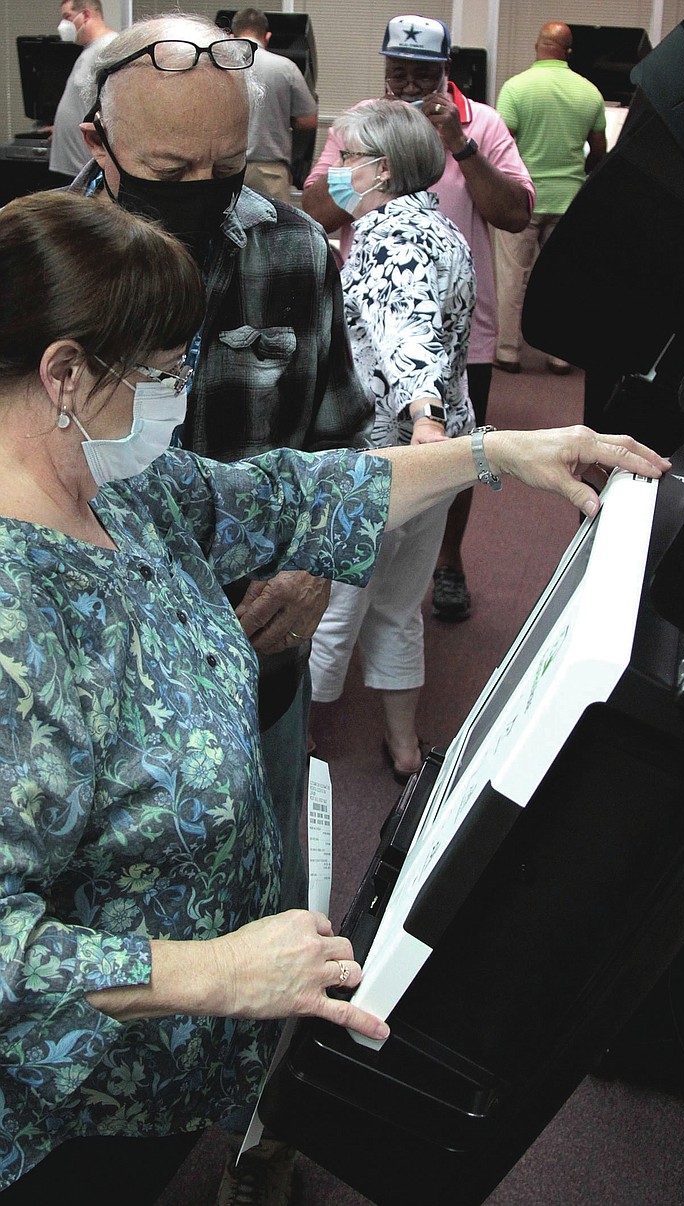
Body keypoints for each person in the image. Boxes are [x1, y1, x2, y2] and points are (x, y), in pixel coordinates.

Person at [0, 190, 670, 1201]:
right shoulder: (14, 615)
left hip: (165, 1054)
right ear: (64, 374)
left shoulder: (122, 490)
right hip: (62, 1102)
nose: (178, 391)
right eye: (163, 371)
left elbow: (292, 492)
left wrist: (495, 454)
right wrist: (210, 975)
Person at [73, 13, 374, 923]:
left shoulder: (292, 250)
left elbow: (342, 439)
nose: (203, 193)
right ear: (99, 141)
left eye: (226, 167)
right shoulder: (38, 269)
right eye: (170, 174)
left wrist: (317, 566)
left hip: (257, 659)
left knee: (261, 896)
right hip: (92, 684)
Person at [303, 14, 536, 624]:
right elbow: (316, 211)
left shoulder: (480, 121)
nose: (406, 87)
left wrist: (460, 146)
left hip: (464, 326)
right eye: (396, 73)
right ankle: (369, 588)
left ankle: (447, 562)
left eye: (421, 75)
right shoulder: (363, 126)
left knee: (448, 455)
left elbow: (515, 213)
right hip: (372, 331)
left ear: (445, 72)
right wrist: (375, 166)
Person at [308, 100, 475, 783]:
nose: (334, 171)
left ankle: (297, 748)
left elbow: (410, 333)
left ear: (380, 167)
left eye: (344, 158)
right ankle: (403, 747)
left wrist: (423, 416)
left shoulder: (388, 237)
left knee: (333, 604)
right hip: (437, 457)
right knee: (401, 603)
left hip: (387, 450)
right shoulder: (439, 227)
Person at [494, 21, 607, 375]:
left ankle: (508, 352)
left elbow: (502, 146)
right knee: (564, 279)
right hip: (569, 200)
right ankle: (560, 355)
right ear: (569, 51)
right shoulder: (590, 92)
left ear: (537, 45)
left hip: (521, 201)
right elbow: (600, 152)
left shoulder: (515, 89)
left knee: (513, 277)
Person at [230, 7, 318, 204]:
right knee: (275, 231)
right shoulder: (285, 67)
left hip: (224, 169)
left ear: (231, 35)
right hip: (269, 171)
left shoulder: (216, 65)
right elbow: (308, 121)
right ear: (267, 36)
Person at [49, 0, 117, 181]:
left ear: (86, 15)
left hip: (83, 167)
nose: (62, 25)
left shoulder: (108, 48)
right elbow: (84, 102)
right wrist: (63, 127)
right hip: (70, 166)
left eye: (67, 17)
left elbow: (112, 109)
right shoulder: (90, 50)